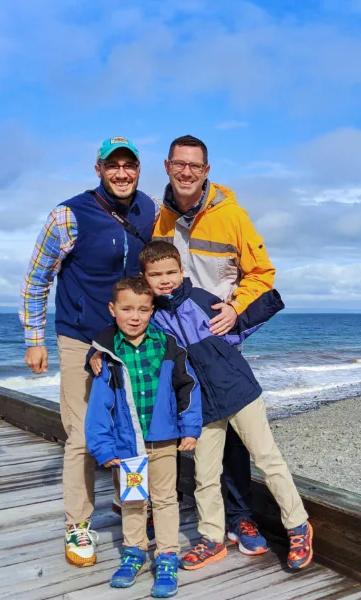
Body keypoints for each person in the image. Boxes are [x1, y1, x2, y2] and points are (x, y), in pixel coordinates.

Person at [19, 137, 157, 567]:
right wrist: (35, 339)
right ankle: (78, 524)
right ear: (98, 169)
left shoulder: (148, 209)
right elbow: (36, 280)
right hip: (79, 336)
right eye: (112, 165)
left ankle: (129, 508)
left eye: (128, 165)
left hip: (127, 337)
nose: (121, 173)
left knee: (129, 427)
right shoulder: (67, 215)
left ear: (138, 169)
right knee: (81, 436)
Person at [138, 241, 313, 572]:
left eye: (171, 272)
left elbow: (238, 324)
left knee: (268, 460)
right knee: (204, 475)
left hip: (239, 391)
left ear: (182, 271)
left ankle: (298, 526)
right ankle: (212, 538)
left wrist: (268, 303)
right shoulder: (154, 319)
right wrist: (97, 353)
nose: (165, 280)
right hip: (199, 406)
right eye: (155, 274)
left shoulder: (201, 301)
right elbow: (131, 340)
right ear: (145, 278)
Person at [152, 134, 275, 555]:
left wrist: (236, 309)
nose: (186, 172)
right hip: (176, 345)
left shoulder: (232, 215)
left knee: (236, 436)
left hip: (219, 340)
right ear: (167, 166)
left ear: (207, 171)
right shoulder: (158, 220)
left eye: (195, 166)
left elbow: (262, 273)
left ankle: (241, 517)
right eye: (179, 164)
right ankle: (175, 510)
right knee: (184, 425)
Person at [85, 276, 202, 597]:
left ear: (152, 311)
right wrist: (102, 446)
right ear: (113, 309)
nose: (134, 316)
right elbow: (98, 406)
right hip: (127, 446)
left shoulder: (167, 345)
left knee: (165, 500)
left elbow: (188, 386)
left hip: (165, 441)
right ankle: (134, 551)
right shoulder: (108, 356)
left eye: (142, 309)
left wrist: (190, 428)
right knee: (133, 501)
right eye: (126, 309)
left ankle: (166, 556)